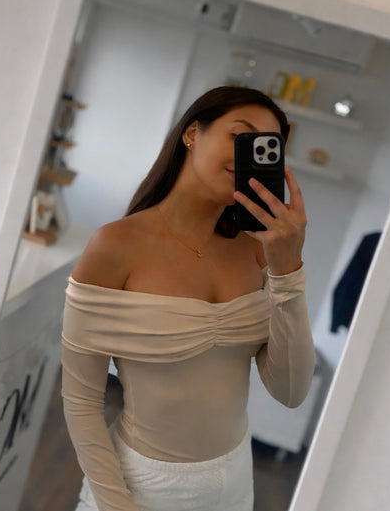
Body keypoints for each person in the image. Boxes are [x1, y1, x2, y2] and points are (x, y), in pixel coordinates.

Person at [61, 86, 315, 511]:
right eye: (241, 137)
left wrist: (289, 270)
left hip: (235, 481)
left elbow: (291, 391)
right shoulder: (116, 246)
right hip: (142, 486)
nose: (248, 157)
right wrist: (116, 505)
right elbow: (81, 400)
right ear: (193, 134)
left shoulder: (257, 250)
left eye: (265, 148)